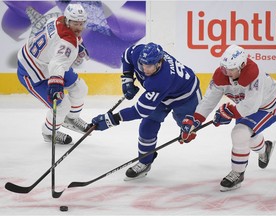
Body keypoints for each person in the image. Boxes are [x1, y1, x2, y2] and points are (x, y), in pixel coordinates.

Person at [91, 42, 202, 180]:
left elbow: (140, 111)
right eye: (142, 64)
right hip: (162, 96)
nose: (144, 68)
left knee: (188, 129)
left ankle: (189, 126)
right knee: (147, 127)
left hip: (186, 97)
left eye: (149, 66)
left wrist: (112, 119)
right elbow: (126, 56)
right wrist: (127, 79)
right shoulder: (139, 53)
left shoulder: (161, 80)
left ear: (159, 63)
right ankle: (145, 161)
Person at [180, 44, 276, 192]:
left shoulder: (254, 74)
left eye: (231, 69)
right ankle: (265, 148)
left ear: (242, 65)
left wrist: (229, 112)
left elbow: (251, 106)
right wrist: (195, 121)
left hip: (268, 106)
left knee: (240, 133)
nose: (227, 72)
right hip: (246, 106)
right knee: (247, 136)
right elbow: (209, 100)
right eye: (224, 68)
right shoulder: (222, 75)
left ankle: (238, 173)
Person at [17, 3, 91, 145]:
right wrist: (56, 84)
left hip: (46, 61)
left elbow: (58, 48)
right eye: (76, 23)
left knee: (80, 88)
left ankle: (71, 119)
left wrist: (79, 44)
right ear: (68, 21)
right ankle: (48, 133)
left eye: (82, 23)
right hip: (31, 72)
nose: (79, 28)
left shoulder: (58, 20)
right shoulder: (68, 43)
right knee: (62, 105)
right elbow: (58, 63)